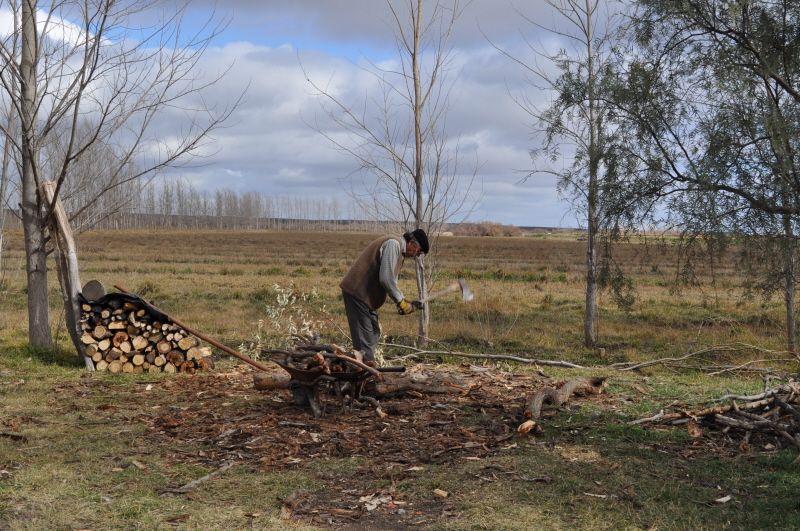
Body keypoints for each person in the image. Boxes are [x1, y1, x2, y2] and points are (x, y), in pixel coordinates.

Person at [340, 228, 430, 365]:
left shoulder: (399, 252)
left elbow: (391, 282)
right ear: (412, 243)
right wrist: (401, 302)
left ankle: (357, 367)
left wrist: (405, 302)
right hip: (358, 294)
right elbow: (386, 279)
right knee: (365, 345)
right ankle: (365, 377)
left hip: (365, 298)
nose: (417, 255)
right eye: (419, 251)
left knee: (374, 334)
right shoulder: (394, 245)